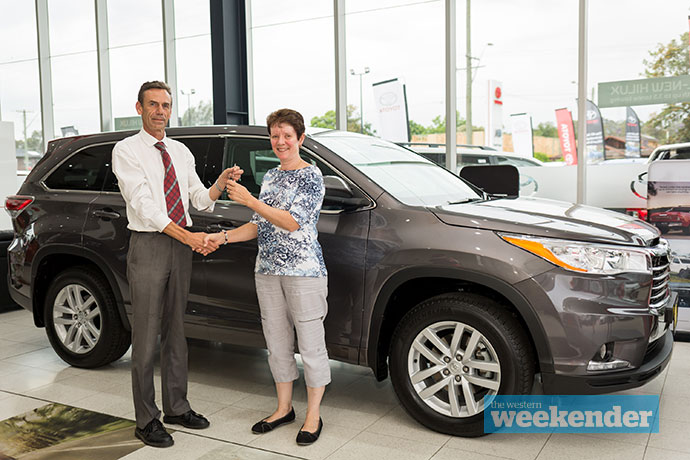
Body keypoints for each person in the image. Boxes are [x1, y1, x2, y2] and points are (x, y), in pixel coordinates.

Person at [112, 80, 242, 448]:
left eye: (166, 105)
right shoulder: (127, 151)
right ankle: (146, 419)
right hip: (151, 244)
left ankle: (176, 407)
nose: (160, 111)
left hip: (180, 248)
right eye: (152, 104)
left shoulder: (180, 151)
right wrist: (187, 237)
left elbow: (198, 199)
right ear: (139, 108)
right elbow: (144, 206)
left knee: (176, 331)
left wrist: (218, 184)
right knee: (146, 335)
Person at [205, 108, 329, 446]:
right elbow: (260, 226)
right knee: (276, 344)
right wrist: (223, 237)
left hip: (304, 272)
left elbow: (292, 221)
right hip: (267, 271)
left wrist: (249, 200)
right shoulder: (271, 176)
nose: (280, 142)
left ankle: (313, 414)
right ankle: (283, 408)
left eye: (287, 135)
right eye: (275, 136)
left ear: (300, 139)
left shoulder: (312, 176)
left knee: (311, 344)